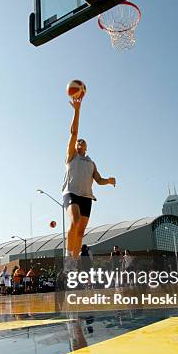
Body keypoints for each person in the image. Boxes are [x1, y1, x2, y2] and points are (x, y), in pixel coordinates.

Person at [63, 94, 116, 264]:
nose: (79, 143)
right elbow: (74, 132)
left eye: (82, 142)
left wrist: (108, 181)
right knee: (75, 221)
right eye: (78, 142)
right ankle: (68, 255)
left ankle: (74, 262)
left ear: (86, 147)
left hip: (87, 197)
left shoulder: (91, 163)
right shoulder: (71, 156)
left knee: (80, 232)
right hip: (71, 193)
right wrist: (77, 111)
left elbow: (98, 180)